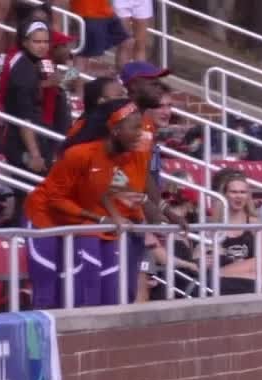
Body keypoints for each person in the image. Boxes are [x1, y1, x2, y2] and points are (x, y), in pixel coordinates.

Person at [25, 98, 187, 308]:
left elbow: (118, 189)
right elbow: (55, 199)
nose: (141, 133)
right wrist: (102, 218)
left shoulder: (123, 157)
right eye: (135, 128)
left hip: (83, 223)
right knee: (50, 297)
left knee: (107, 297)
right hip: (45, 220)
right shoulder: (79, 154)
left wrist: (165, 212)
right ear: (115, 130)